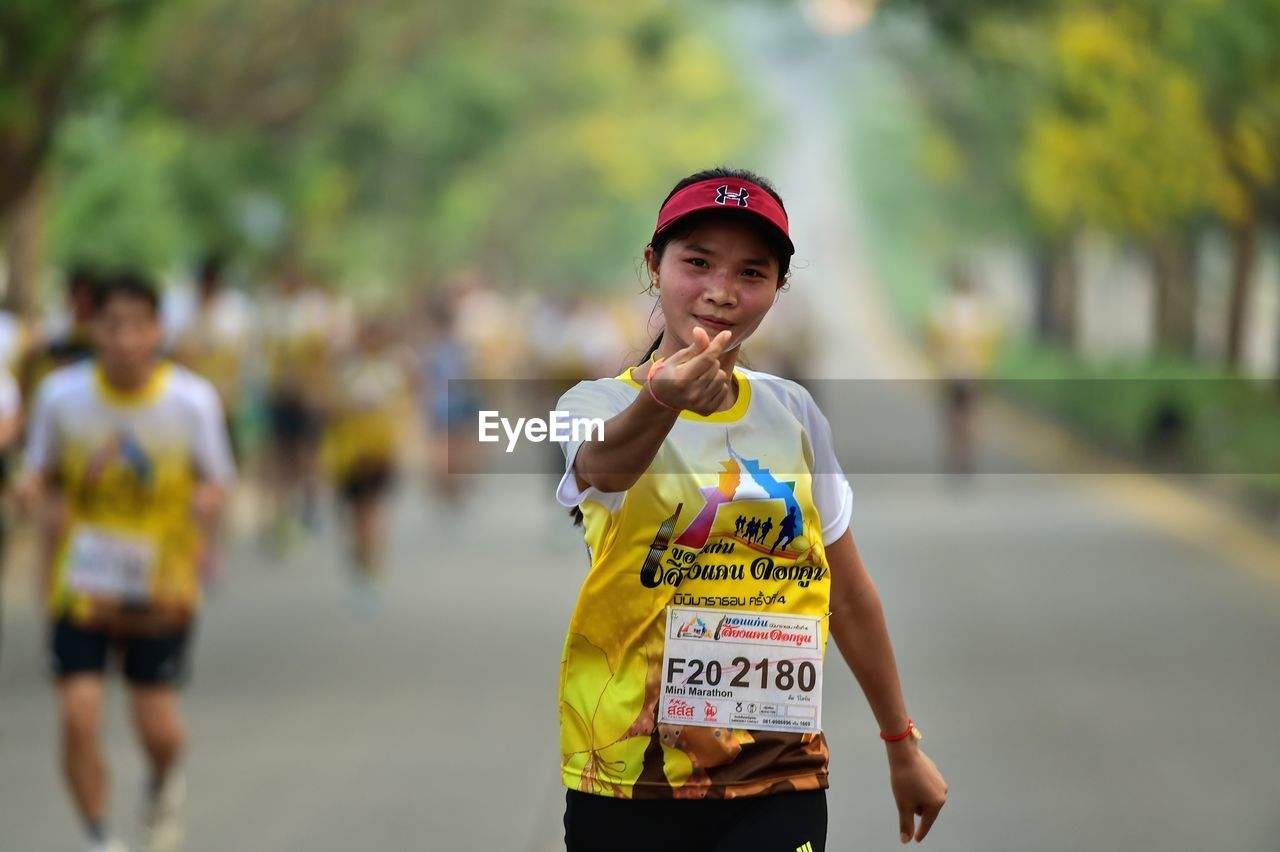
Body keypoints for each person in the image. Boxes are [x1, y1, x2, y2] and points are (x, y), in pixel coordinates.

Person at [553, 168, 947, 851]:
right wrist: (662, 401)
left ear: (777, 289)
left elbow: (847, 594)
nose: (720, 292)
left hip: (778, 780)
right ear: (654, 266)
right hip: (625, 777)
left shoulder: (792, 414)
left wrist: (901, 743)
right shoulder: (594, 406)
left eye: (751, 272)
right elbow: (604, 465)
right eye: (698, 263)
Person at [18, 273, 236, 852]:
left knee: (158, 727)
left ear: (157, 330)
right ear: (96, 329)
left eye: (139, 326)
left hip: (161, 584)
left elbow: (217, 480)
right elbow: (39, 470)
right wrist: (29, 490)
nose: (125, 339)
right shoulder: (61, 397)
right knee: (78, 715)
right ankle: (98, 836)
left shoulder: (190, 401)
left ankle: (163, 783)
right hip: (84, 582)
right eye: (113, 326)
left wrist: (206, 512)